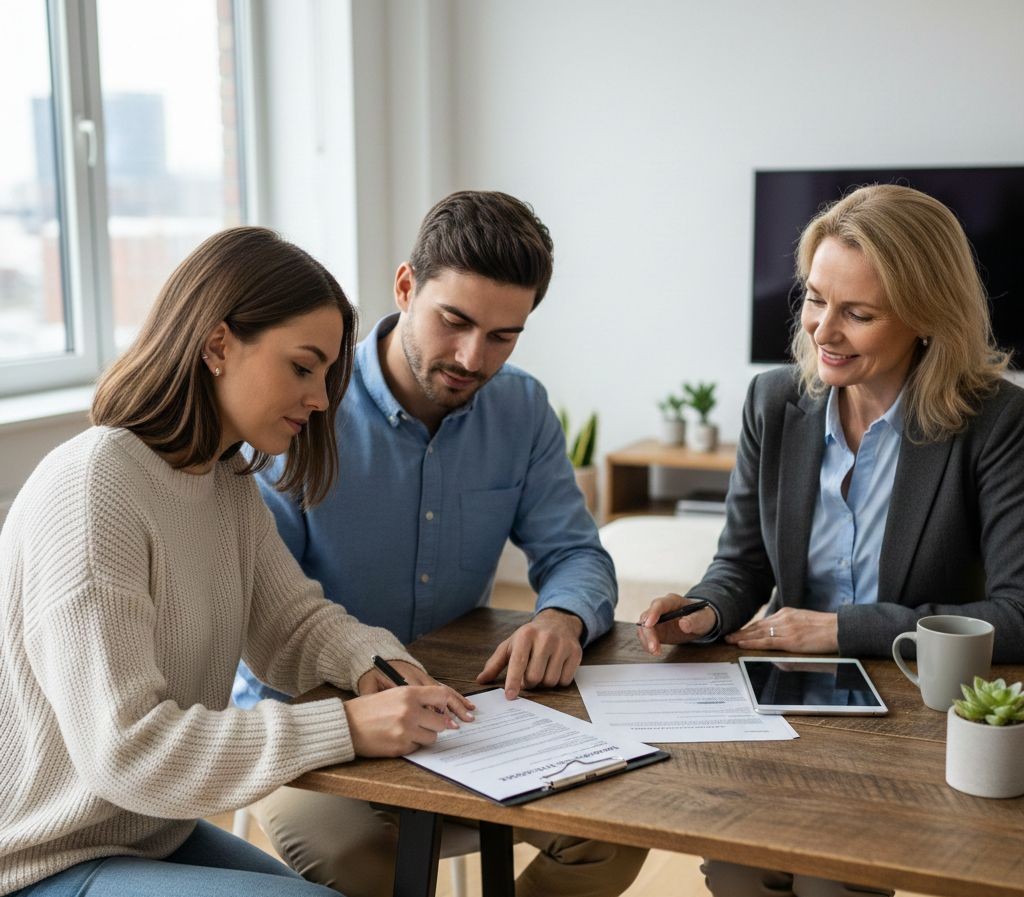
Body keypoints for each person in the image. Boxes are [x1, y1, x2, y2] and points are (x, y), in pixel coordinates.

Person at [0, 226, 474, 897]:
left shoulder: (223, 481)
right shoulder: (95, 487)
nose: (321, 399)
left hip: (148, 833)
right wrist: (345, 726)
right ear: (218, 344)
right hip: (43, 857)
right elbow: (125, 751)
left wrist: (374, 663)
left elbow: (293, 625)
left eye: (327, 375)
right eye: (303, 367)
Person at [233, 191, 647, 897]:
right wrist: (359, 692)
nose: (472, 357)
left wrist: (563, 616)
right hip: (311, 715)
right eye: (454, 321)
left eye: (503, 336)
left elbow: (576, 553)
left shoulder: (520, 407)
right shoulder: (301, 407)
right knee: (366, 863)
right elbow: (266, 617)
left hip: (465, 711)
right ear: (405, 287)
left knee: (617, 831)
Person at [636, 183, 1024, 897]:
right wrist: (706, 609)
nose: (823, 331)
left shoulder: (996, 420)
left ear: (927, 316)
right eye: (816, 299)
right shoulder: (774, 401)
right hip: (789, 698)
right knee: (736, 866)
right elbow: (742, 562)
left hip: (913, 709)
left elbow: (1017, 614)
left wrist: (841, 629)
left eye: (859, 314)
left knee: (829, 882)